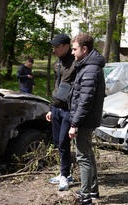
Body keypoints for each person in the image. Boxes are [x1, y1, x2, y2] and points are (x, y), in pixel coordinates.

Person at [68, 33, 105, 205]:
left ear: (85, 49)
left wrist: (75, 123)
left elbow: (85, 100)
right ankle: (92, 191)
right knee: (88, 155)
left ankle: (85, 196)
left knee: (83, 157)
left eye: (74, 49)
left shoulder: (90, 69)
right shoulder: (88, 66)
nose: (72, 53)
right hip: (86, 119)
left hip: (84, 120)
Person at [46, 34, 76, 192]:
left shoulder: (75, 62)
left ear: (66, 46)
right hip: (57, 108)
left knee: (64, 142)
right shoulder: (58, 63)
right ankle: (65, 173)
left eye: (57, 46)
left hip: (68, 110)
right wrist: (51, 108)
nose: (54, 49)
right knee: (58, 142)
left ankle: (65, 175)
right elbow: (57, 87)